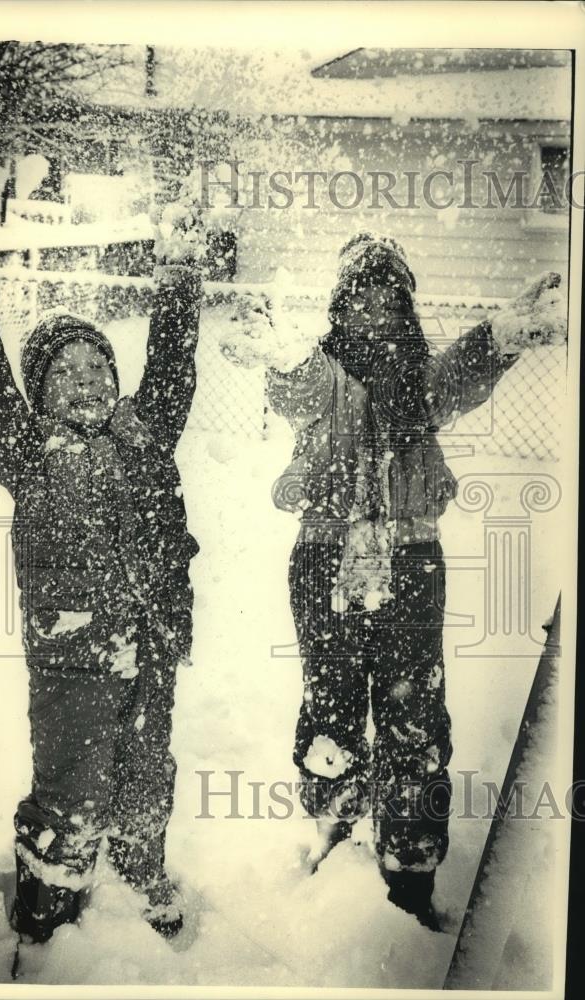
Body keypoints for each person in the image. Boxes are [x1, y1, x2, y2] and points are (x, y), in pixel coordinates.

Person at [220, 232, 565, 930]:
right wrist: (284, 351)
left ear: (405, 308)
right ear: (337, 307)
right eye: (360, 297)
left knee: (413, 713)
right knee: (332, 700)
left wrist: (501, 337)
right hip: (325, 562)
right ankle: (333, 830)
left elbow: (454, 381)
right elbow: (295, 385)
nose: (375, 309)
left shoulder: (418, 385)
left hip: (410, 564)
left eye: (389, 297)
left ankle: (410, 861)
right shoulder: (322, 376)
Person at [0, 201, 205, 954]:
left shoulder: (144, 432)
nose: (86, 380)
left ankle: (139, 869)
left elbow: (175, 363)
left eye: (97, 368)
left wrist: (179, 278)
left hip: (150, 642)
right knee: (72, 785)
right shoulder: (28, 449)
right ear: (40, 391)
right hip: (72, 655)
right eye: (65, 372)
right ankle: (48, 903)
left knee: (148, 769)